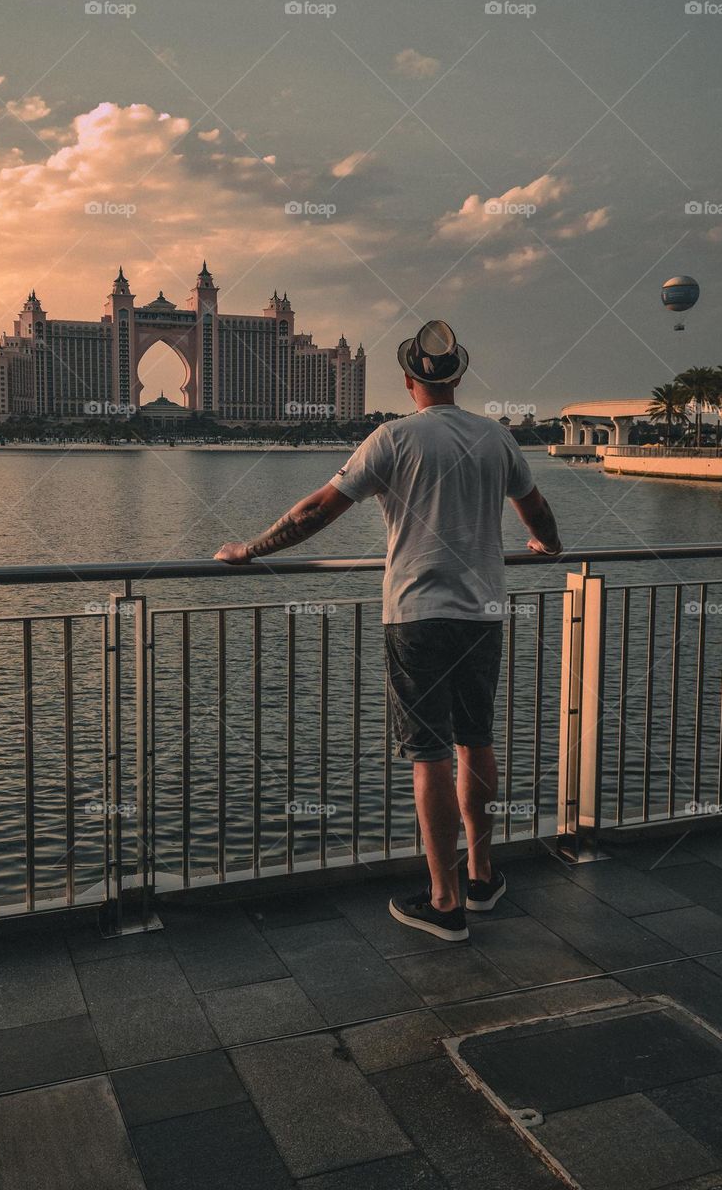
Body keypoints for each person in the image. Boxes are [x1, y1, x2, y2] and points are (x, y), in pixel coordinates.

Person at [215, 320, 562, 942]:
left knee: (428, 755)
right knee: (476, 742)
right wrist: (547, 545)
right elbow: (536, 511)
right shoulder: (495, 438)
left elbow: (316, 511)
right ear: (458, 377)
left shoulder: (393, 438)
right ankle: (482, 876)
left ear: (410, 382)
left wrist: (251, 549)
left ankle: (445, 900)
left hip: (417, 615)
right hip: (482, 613)